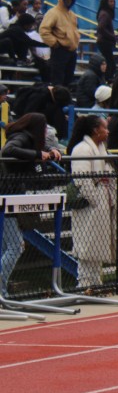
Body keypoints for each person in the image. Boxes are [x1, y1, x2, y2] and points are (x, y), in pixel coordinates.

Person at [1, 113, 63, 295]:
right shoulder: (22, 137)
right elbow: (8, 150)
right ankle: (1, 290)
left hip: (12, 195)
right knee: (15, 246)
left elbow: (38, 152)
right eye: (43, 128)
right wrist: (37, 154)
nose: (45, 132)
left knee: (7, 247)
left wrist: (50, 151)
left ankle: (2, 291)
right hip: (7, 196)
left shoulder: (28, 138)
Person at [67, 115, 115, 288]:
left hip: (102, 198)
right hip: (89, 201)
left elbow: (108, 172)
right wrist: (94, 199)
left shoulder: (101, 148)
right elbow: (82, 179)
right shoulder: (82, 149)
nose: (108, 131)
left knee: (98, 243)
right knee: (86, 243)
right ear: (96, 130)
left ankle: (95, 282)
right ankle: (84, 282)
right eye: (105, 127)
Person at [38, 0, 80, 87]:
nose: (69, 0)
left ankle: (66, 96)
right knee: (57, 79)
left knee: (68, 80)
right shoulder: (53, 12)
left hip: (72, 52)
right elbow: (44, 30)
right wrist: (54, 43)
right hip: (59, 51)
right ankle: (57, 96)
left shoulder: (73, 15)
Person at [95, 0, 116, 80]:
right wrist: (112, 36)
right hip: (104, 42)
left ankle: (107, 80)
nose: (113, 3)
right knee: (110, 65)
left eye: (113, 1)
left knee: (110, 64)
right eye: (110, 1)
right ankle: (107, 80)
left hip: (105, 42)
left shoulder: (106, 13)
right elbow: (101, 28)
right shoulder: (105, 14)